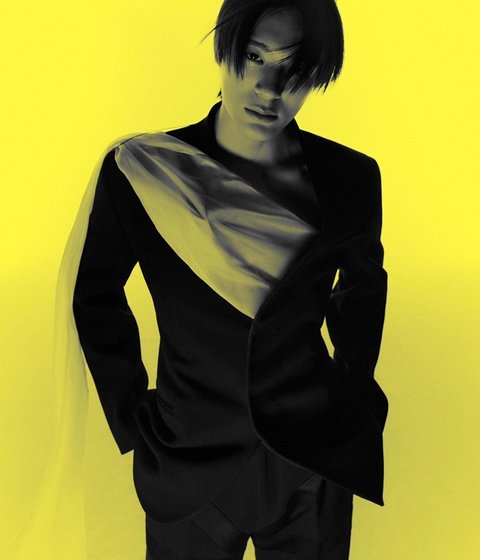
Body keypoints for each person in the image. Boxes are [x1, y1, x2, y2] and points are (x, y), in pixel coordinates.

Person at [71, 0, 388, 558]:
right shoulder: (145, 171)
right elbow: (95, 294)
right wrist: (132, 417)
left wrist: (353, 400)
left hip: (311, 464)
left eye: (295, 69)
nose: (270, 88)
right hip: (186, 457)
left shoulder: (351, 177)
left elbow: (362, 294)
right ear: (224, 49)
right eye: (255, 57)